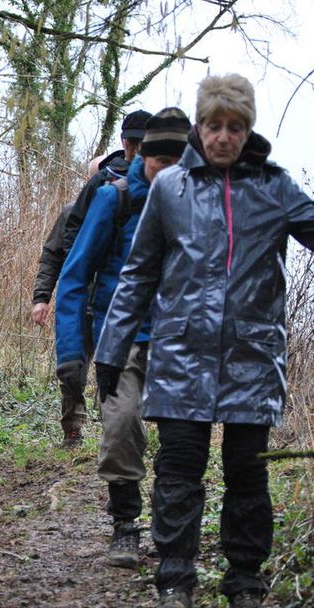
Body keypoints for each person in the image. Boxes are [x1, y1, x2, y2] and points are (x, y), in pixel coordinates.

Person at [93, 74, 314, 608]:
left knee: (247, 476)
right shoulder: (170, 189)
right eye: (214, 126)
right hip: (179, 358)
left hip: (251, 359)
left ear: (248, 131)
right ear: (199, 128)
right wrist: (110, 350)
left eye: (235, 127)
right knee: (177, 473)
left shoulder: (275, 188)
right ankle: (174, 584)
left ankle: (245, 587)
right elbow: (139, 274)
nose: (223, 137)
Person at [56, 108, 191, 569]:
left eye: (178, 161)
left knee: (179, 445)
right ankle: (125, 526)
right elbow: (74, 275)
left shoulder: (201, 200)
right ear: (143, 157)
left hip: (179, 342)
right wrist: (70, 353)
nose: (167, 171)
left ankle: (171, 538)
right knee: (120, 428)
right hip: (122, 339)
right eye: (159, 161)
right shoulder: (115, 198)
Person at [31, 109, 152, 449]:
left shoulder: (153, 198)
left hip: (115, 305)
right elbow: (55, 256)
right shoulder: (76, 212)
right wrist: (42, 298)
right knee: (73, 371)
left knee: (112, 371)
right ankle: (73, 429)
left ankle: (115, 434)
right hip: (82, 300)